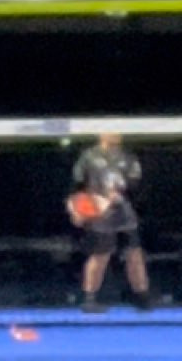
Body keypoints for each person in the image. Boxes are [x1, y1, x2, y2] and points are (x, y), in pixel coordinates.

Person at [68, 131, 152, 309]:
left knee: (134, 253)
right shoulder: (88, 157)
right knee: (100, 254)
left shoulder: (128, 157)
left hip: (124, 214)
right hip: (98, 214)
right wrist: (77, 209)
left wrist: (121, 194)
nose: (116, 134)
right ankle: (90, 298)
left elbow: (135, 184)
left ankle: (141, 296)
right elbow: (77, 185)